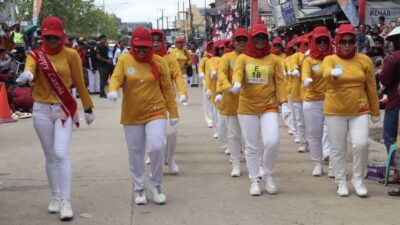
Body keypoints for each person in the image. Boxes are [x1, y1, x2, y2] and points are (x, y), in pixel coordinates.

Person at [16, 16, 95, 220]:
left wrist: (88, 107)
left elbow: (79, 81)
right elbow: (30, 69)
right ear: (43, 36)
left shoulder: (71, 55)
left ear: (62, 37)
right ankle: (56, 197)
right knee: (50, 155)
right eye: (48, 37)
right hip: (41, 110)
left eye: (55, 37)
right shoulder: (35, 54)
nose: (52, 41)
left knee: (60, 154)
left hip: (63, 109)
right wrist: (28, 76)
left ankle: (66, 201)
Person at [107, 27, 178, 205]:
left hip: (156, 110)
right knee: (136, 152)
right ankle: (139, 188)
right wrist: (113, 89)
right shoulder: (124, 60)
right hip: (132, 113)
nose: (141, 50)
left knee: (156, 147)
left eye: (145, 47)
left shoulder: (160, 62)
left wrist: (173, 111)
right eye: (138, 46)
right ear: (133, 45)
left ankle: (157, 184)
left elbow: (168, 88)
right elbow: (116, 78)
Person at [322, 24, 380, 197]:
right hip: (335, 111)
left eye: (350, 41)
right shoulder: (330, 60)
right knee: (338, 148)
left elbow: (371, 86)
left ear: (355, 42)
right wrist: (333, 73)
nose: (347, 45)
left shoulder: (363, 60)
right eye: (343, 41)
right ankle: (340, 181)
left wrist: (375, 110)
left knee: (362, 144)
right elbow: (325, 74)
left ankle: (358, 179)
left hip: (360, 109)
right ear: (338, 43)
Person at [231, 23, 286, 196]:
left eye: (263, 37)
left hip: (268, 106)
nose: (260, 40)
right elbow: (238, 73)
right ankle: (254, 180)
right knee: (252, 145)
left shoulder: (274, 60)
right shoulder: (243, 58)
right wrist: (237, 83)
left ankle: (268, 174)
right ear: (251, 40)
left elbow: (280, 82)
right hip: (247, 107)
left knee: (272, 141)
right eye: (257, 38)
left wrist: (283, 101)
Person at [151, 29, 186, 173]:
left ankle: (170, 160)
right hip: (149, 101)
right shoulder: (143, 59)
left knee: (171, 133)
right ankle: (154, 160)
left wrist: (183, 92)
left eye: (158, 40)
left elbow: (177, 75)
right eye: (152, 40)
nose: (155, 43)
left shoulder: (170, 58)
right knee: (152, 135)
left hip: (167, 99)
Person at [216, 28, 249, 177]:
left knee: (249, 136)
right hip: (232, 100)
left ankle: (253, 164)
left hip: (250, 102)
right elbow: (221, 74)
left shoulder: (252, 57)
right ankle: (235, 164)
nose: (242, 42)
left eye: (244, 40)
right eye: (239, 40)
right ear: (234, 42)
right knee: (234, 135)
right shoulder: (227, 58)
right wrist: (227, 88)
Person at [301, 26, 333, 177]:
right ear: (313, 42)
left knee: (334, 133)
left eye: (324, 40)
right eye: (318, 40)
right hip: (312, 101)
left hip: (331, 101)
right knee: (315, 134)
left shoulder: (333, 58)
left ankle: (333, 165)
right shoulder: (308, 60)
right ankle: (317, 164)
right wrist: (306, 79)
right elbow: (305, 73)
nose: (322, 43)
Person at [379, 26, 400, 187]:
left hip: (395, 102)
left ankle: (396, 171)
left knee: (390, 137)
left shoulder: (393, 58)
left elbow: (384, 79)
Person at [198, 41, 214, 128]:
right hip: (206, 80)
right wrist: (201, 73)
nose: (212, 49)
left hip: (217, 81)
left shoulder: (219, 58)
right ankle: (209, 120)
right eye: (210, 48)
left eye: (213, 48)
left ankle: (216, 118)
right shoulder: (205, 59)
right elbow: (200, 67)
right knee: (207, 100)